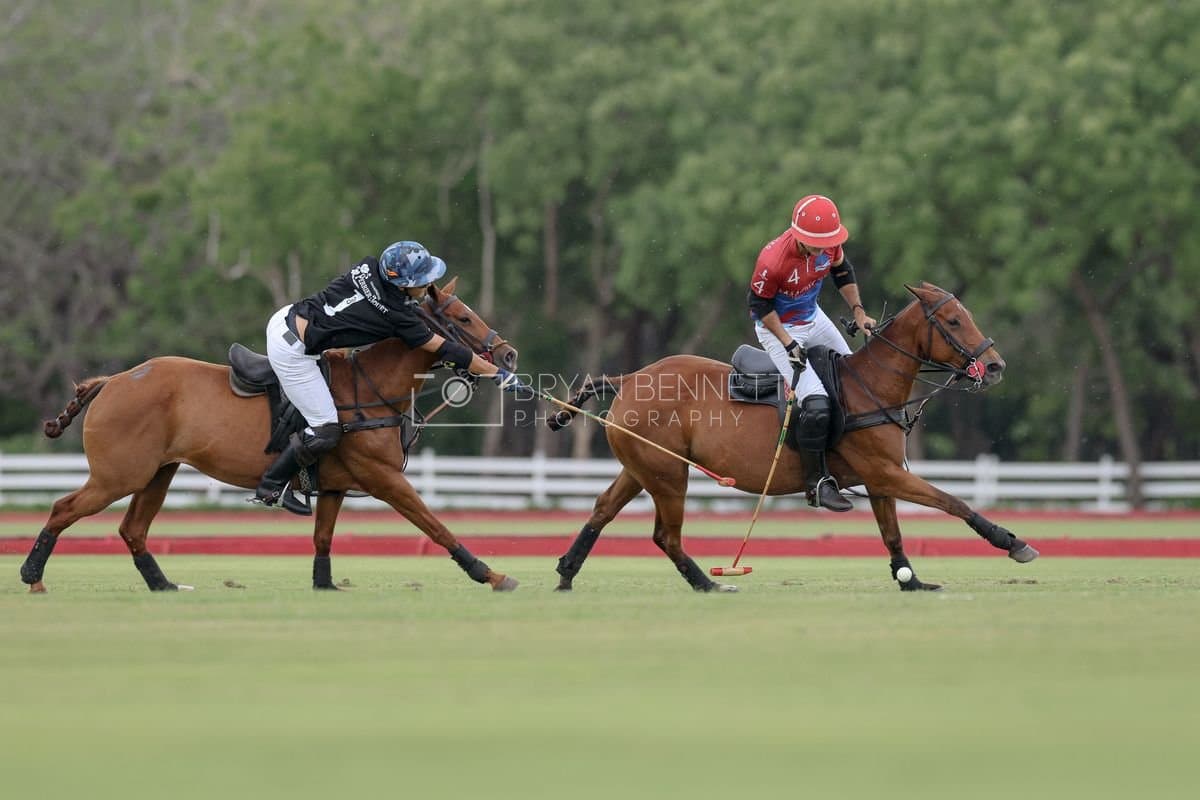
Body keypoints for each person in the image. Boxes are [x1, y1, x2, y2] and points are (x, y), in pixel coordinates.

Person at [254, 240, 526, 513]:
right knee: (326, 427)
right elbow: (445, 348)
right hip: (293, 351)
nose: (428, 285)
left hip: (287, 317)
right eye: (423, 280)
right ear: (402, 283)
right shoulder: (398, 317)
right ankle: (272, 485)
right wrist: (497, 373)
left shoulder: (367, 267)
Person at [746, 195, 877, 512]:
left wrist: (859, 312)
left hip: (814, 317)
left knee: (857, 380)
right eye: (815, 243)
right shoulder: (772, 259)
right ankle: (817, 483)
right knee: (816, 402)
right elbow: (758, 306)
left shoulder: (830, 247)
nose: (822, 249)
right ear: (799, 235)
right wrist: (788, 342)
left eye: (826, 242)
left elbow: (842, 271)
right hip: (777, 328)